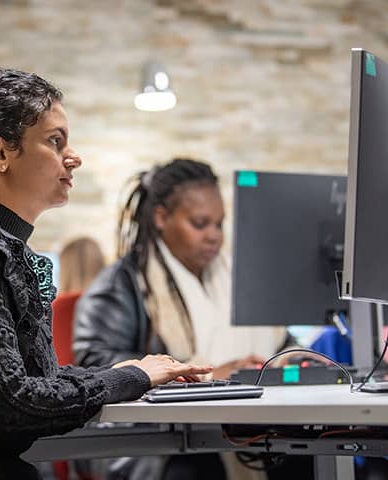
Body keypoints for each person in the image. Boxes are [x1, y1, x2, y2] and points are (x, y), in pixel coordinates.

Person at [0, 69, 212, 479]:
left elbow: (31, 383)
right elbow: (14, 406)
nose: (74, 157)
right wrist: (133, 377)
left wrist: (126, 374)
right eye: (55, 141)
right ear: (0, 153)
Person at [73, 158, 294, 480]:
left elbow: (281, 343)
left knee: (301, 457)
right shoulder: (122, 285)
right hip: (143, 438)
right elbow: (95, 363)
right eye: (200, 223)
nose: (214, 236)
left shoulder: (234, 280)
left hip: (223, 426)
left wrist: (293, 359)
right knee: (202, 470)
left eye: (219, 224)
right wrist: (201, 374)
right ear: (162, 217)